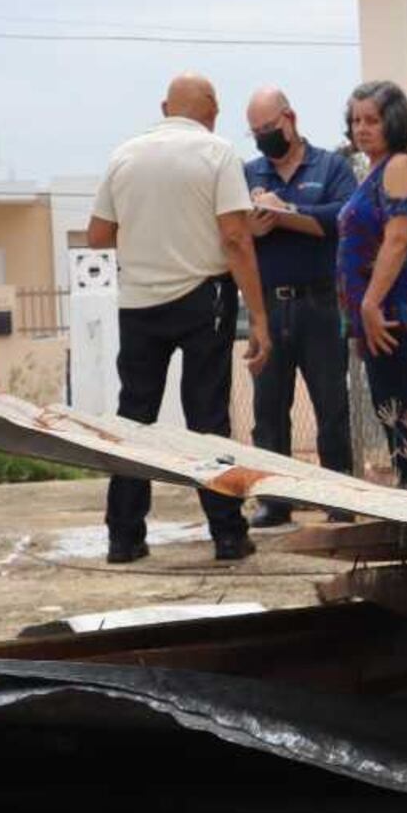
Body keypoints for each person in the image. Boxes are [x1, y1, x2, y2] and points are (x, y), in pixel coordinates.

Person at [86, 74, 271, 562]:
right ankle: (228, 535)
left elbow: (98, 235)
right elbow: (235, 238)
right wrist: (259, 317)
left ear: (165, 106)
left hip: (139, 302)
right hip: (202, 297)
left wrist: (149, 231)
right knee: (207, 418)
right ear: (210, 109)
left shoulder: (125, 155)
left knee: (136, 419)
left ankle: (124, 538)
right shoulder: (216, 153)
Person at [241, 85, 359, 527]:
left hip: (321, 302)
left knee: (331, 404)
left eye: (268, 129)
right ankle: (276, 499)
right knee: (269, 407)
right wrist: (256, 222)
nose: (262, 138)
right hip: (270, 305)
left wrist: (287, 211)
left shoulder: (330, 165)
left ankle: (339, 497)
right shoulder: (249, 172)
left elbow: (342, 216)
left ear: (289, 118)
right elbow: (233, 228)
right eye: (255, 132)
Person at [336, 81, 407, 490]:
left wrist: (371, 304)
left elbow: (398, 238)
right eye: (356, 120)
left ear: (392, 121)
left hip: (389, 309)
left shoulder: (397, 165)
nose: (362, 129)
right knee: (388, 404)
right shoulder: (373, 169)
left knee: (397, 403)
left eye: (372, 120)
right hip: (373, 309)